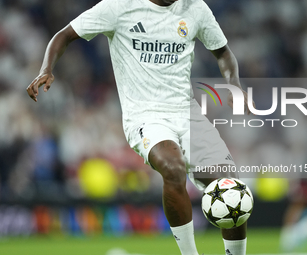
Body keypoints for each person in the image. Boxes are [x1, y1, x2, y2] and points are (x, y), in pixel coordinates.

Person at [26, 0, 253, 254]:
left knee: (230, 186)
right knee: (173, 166)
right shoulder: (118, 7)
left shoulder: (195, 7)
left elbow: (223, 52)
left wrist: (234, 84)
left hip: (187, 112)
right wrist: (46, 68)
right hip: (145, 116)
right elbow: (64, 35)